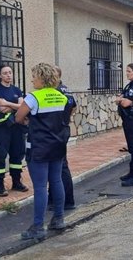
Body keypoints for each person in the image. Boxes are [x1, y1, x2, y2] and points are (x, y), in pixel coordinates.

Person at [15, 63, 68, 241]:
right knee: (56, 180)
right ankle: (58, 218)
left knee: (39, 187)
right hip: (57, 145)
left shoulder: (33, 97)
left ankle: (38, 226)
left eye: (34, 76)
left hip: (38, 146)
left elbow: (19, 117)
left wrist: (28, 122)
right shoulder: (61, 96)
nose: (32, 79)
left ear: (41, 78)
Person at [0, 65, 28, 197]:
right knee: (0, 156)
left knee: (17, 154)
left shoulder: (17, 90)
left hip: (16, 127)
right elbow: (1, 108)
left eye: (10, 72)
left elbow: (23, 107)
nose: (8, 75)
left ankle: (16, 182)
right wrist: (16, 106)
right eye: (5, 73)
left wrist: (9, 104)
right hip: (1, 129)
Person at [48, 66, 77, 210]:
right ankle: (55, 198)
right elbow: (73, 107)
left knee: (60, 166)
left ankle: (66, 200)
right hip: (63, 129)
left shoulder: (56, 92)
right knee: (58, 165)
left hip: (57, 131)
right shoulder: (66, 89)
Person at [116, 63, 133, 187]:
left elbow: (126, 102)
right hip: (128, 118)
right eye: (126, 71)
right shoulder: (130, 85)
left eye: (129, 71)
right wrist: (121, 99)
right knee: (131, 147)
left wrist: (120, 100)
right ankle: (131, 173)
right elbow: (121, 97)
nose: (127, 73)